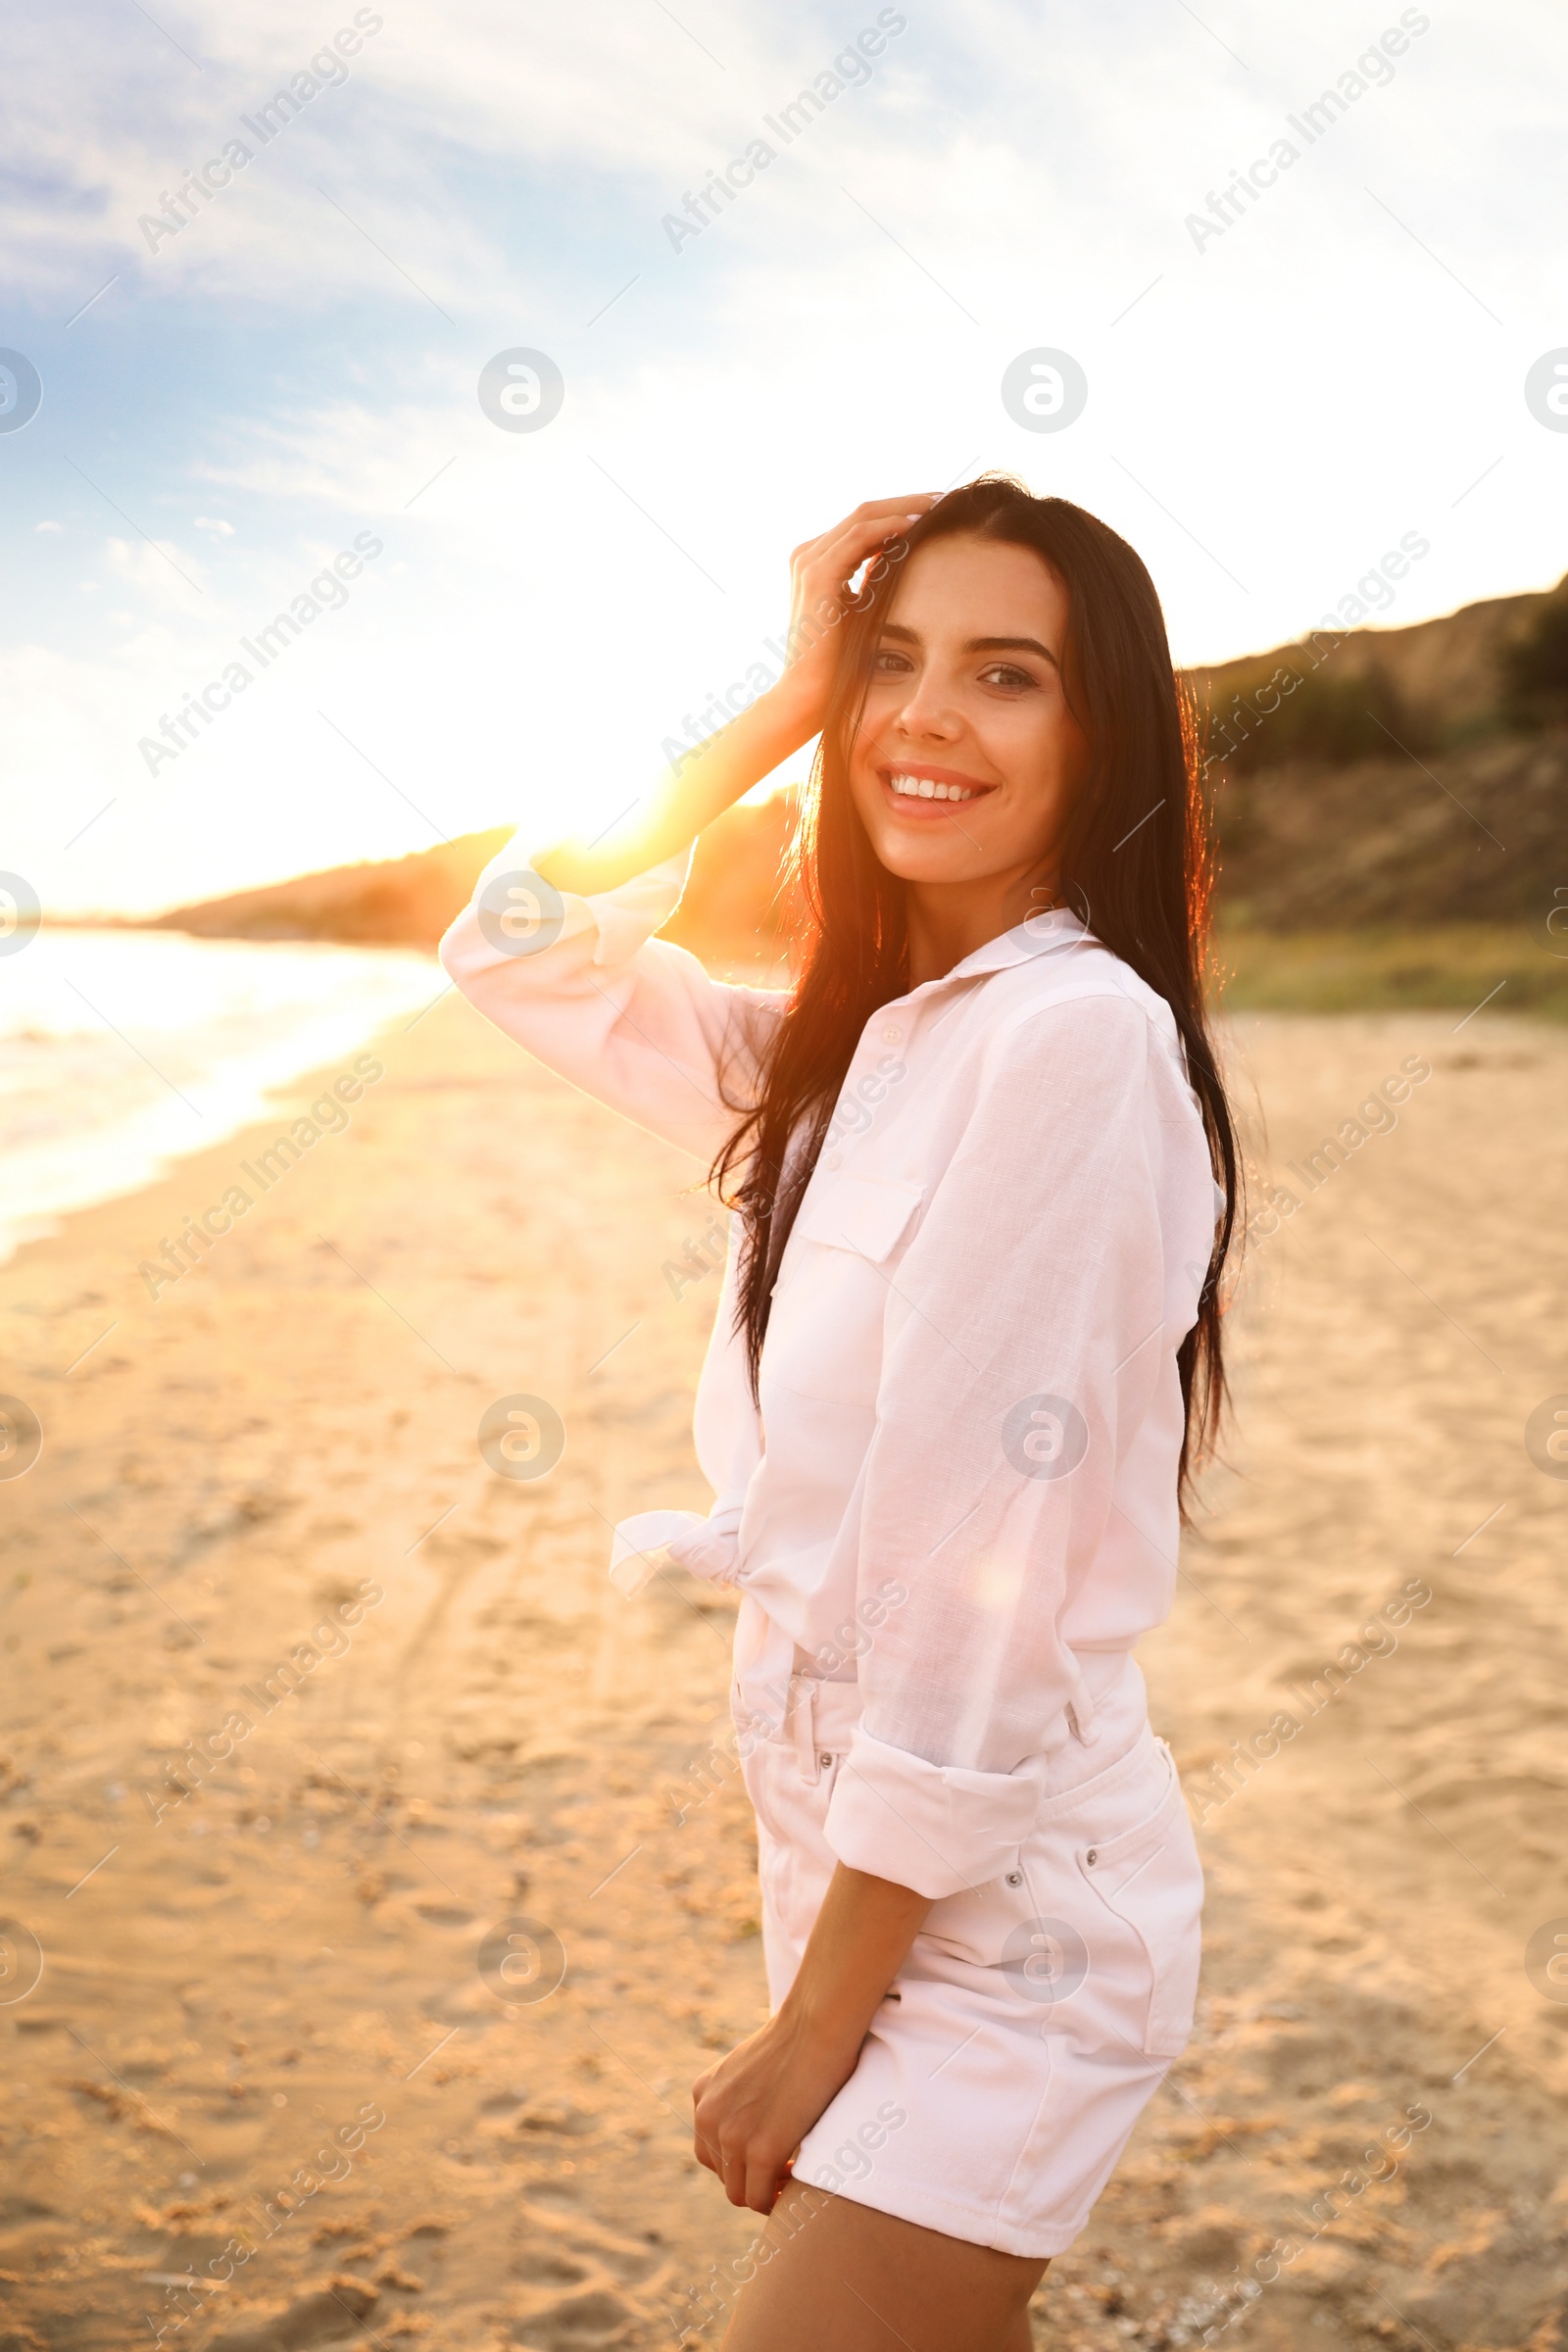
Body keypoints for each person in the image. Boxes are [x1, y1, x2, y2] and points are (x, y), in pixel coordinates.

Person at [440, 476, 1240, 2352]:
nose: (929, 715)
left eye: (1007, 674)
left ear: (1101, 730)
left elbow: (980, 1587)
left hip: (995, 1922)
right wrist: (785, 695)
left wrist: (816, 2025)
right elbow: (515, 944)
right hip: (860, 1870)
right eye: (898, 663)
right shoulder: (852, 1044)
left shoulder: (1071, 1041)